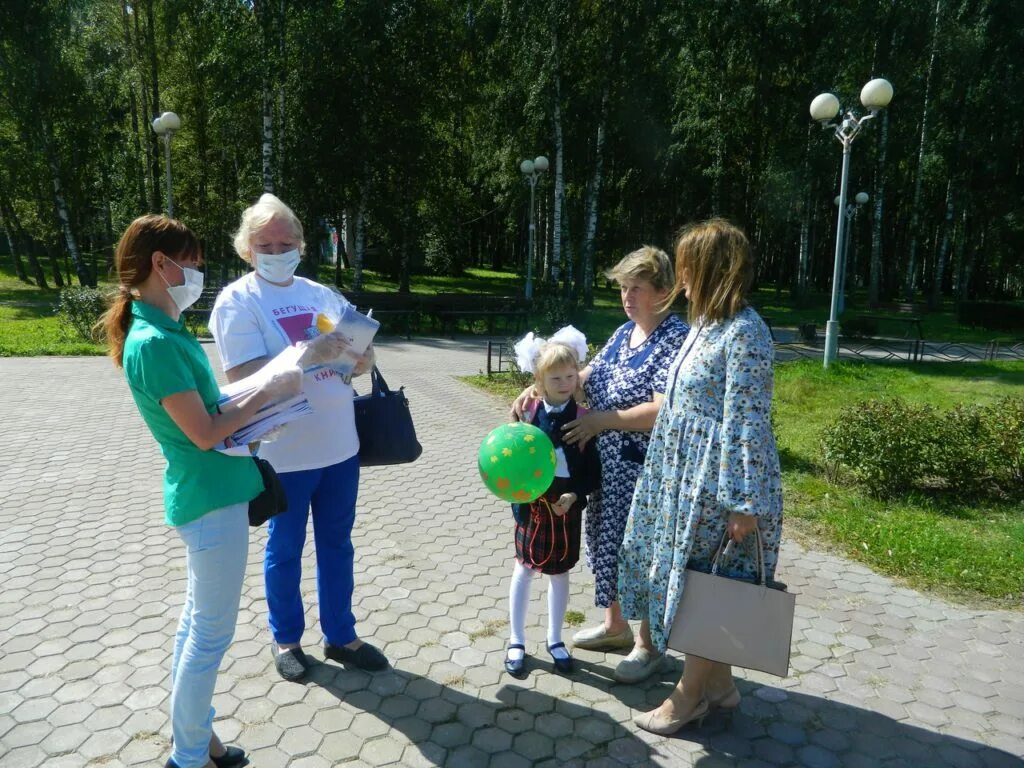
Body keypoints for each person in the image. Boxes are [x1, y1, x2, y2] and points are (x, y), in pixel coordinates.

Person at [100, 215, 303, 768]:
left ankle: (197, 741)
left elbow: (211, 412)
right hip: (210, 501)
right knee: (209, 638)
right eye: (187, 262)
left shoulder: (163, 330)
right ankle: (189, 758)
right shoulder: (153, 342)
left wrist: (260, 407)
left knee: (196, 629)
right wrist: (270, 391)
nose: (196, 272)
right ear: (158, 265)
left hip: (215, 491)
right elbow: (206, 430)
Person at [617, 219, 783, 734]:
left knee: (707, 584)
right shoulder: (707, 324)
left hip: (720, 484)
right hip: (685, 473)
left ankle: (688, 697)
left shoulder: (745, 331)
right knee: (704, 581)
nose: (680, 274)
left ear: (710, 268)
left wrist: (743, 502)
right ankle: (721, 686)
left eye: (687, 263)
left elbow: (748, 420)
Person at [209, 193, 384, 682]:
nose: (276, 249)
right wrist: (308, 352)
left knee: (337, 545)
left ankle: (341, 636)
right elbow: (242, 374)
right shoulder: (238, 301)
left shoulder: (320, 293)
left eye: (286, 241)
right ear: (247, 249)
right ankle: (286, 639)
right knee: (284, 550)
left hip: (340, 446)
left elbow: (354, 350)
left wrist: (361, 359)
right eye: (265, 243)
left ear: (302, 245)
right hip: (283, 451)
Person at [512, 247, 687, 667]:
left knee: (642, 551)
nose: (627, 297)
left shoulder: (674, 337)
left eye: (637, 288)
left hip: (644, 471)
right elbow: (586, 375)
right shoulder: (625, 332)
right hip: (604, 466)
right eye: (623, 288)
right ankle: (615, 626)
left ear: (663, 291)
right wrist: (539, 390)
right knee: (604, 544)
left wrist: (602, 420)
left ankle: (647, 644)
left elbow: (663, 408)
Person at [504, 328, 601, 678]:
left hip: (566, 507)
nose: (564, 382)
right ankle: (516, 640)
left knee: (559, 574)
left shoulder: (585, 416)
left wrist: (576, 494)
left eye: (570, 375)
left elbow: (593, 472)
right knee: (524, 570)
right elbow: (510, 457)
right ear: (539, 381)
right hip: (532, 506)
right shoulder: (528, 412)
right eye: (555, 377)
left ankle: (554, 639)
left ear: (578, 376)